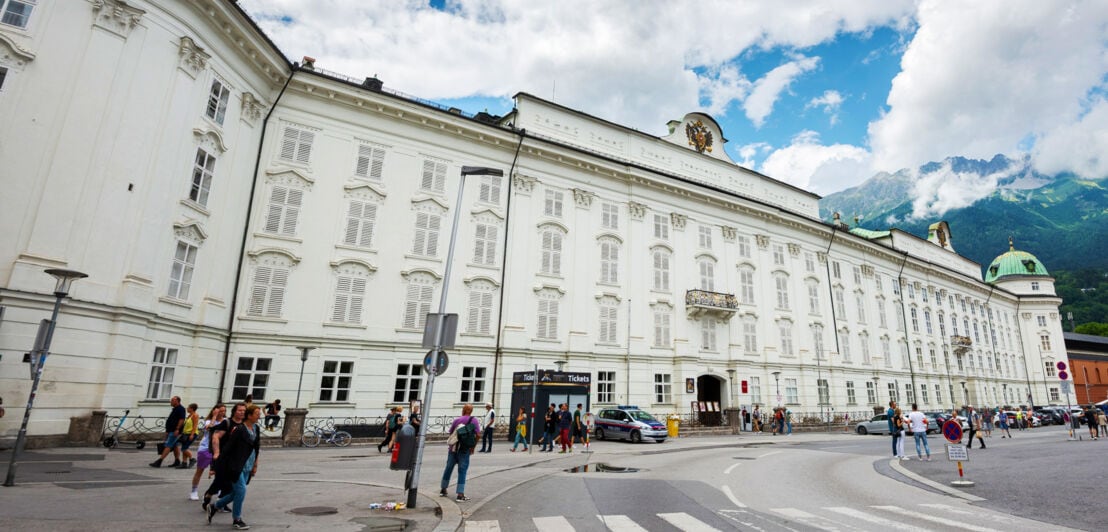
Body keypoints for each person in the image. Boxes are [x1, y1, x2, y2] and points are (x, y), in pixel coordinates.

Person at [207, 404, 262, 530]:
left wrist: (255, 464)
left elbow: (257, 447)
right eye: (257, 413)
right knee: (241, 490)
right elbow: (228, 448)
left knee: (236, 493)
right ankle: (237, 519)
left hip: (249, 464)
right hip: (236, 465)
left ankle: (215, 506)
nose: (259, 416)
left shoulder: (256, 428)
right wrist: (216, 465)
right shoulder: (240, 430)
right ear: (249, 415)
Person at [203, 402, 246, 513]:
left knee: (230, 482)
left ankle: (221, 502)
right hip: (223, 456)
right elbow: (215, 436)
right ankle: (209, 494)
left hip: (236, 458)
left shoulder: (244, 424)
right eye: (240, 410)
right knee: (221, 480)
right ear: (234, 411)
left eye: (244, 411)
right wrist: (217, 453)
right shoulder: (227, 423)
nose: (242, 412)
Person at [440, 404, 480, 502]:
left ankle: (443, 489)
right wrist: (473, 447)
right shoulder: (474, 420)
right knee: (462, 471)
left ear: (463, 410)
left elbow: (451, 434)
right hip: (464, 449)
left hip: (453, 448)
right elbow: (478, 435)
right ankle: (460, 494)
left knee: (448, 468)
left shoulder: (457, 420)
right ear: (471, 411)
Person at [190, 403, 225, 501]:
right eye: (220, 411)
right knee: (200, 470)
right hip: (206, 448)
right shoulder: (209, 421)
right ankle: (194, 490)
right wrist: (214, 416)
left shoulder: (225, 421)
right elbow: (209, 428)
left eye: (224, 411)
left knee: (219, 472)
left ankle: (219, 491)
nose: (222, 413)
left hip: (219, 449)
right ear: (215, 410)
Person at [150, 396, 187, 468]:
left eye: (173, 400)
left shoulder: (181, 409)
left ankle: (159, 461)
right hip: (171, 430)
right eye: (171, 400)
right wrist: (167, 430)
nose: (171, 402)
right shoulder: (175, 409)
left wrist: (177, 429)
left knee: (168, 445)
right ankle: (177, 460)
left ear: (177, 401)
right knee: (175, 445)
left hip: (175, 431)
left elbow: (182, 420)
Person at [177, 403, 201, 469]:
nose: (187, 408)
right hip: (186, 434)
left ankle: (192, 459)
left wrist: (192, 434)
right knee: (184, 447)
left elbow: (195, 426)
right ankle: (184, 463)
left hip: (191, 434)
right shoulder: (189, 415)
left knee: (184, 448)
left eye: (188, 407)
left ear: (192, 408)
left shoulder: (195, 415)